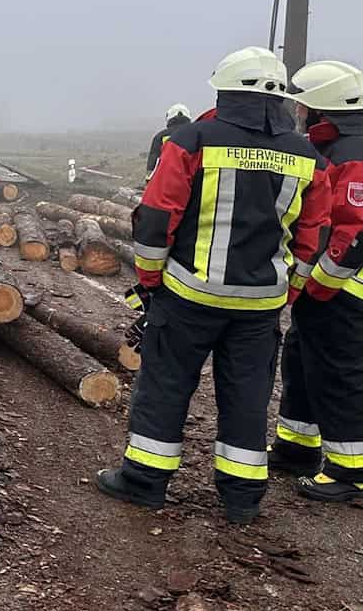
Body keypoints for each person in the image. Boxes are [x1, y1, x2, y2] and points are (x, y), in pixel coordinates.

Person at [97, 47, 331, 523]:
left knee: (165, 385)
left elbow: (157, 216)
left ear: (224, 92)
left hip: (186, 295)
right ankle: (242, 497)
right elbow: (314, 235)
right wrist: (287, 291)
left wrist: (150, 280)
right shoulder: (308, 156)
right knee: (247, 395)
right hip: (261, 304)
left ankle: (144, 481)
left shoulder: (192, 139)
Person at [269, 61, 363, 501]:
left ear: (325, 109)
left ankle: (351, 472)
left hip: (345, 291)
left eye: (304, 106)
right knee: (303, 361)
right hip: (325, 289)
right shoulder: (337, 147)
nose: (299, 113)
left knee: (338, 374)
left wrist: (320, 283)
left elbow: (354, 232)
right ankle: (297, 446)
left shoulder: (354, 154)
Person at [146, 103, 192, 179]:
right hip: (191, 182)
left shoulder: (160, 137)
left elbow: (153, 166)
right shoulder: (196, 135)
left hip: (167, 183)